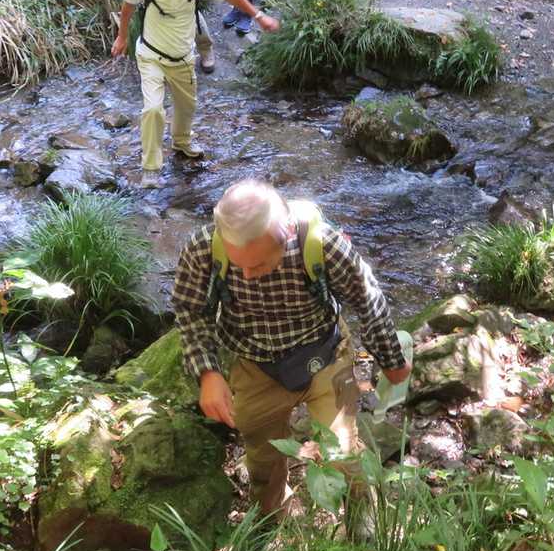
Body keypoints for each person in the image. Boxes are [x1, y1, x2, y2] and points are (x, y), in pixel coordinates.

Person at [172, 179, 412, 520]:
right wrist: (208, 373)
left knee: (342, 453)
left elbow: (367, 298)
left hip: (325, 353)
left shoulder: (321, 245)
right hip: (255, 364)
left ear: (284, 234)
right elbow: (190, 310)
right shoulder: (203, 249)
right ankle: (273, 519)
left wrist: (391, 359)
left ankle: (365, 527)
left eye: (258, 264)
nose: (247, 275)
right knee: (262, 461)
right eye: (239, 265)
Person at [111, 0, 279, 187]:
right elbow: (128, 4)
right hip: (151, 55)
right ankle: (151, 168)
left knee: (186, 106)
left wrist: (259, 16)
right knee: (153, 109)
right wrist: (122, 36)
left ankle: (182, 142)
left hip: (183, 57)